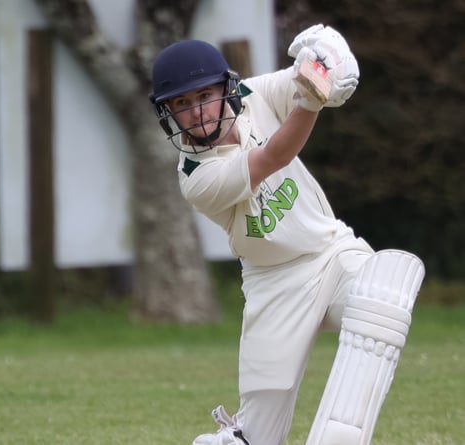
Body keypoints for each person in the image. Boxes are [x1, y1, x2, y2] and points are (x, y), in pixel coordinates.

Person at [148, 25, 425, 445]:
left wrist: (324, 60)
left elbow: (311, 82)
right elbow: (277, 154)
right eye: (182, 104)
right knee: (257, 438)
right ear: (168, 111)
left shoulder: (252, 95)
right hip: (274, 284)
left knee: (381, 293)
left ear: (226, 88)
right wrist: (312, 101)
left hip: (332, 252)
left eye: (204, 95)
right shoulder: (196, 176)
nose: (197, 111)